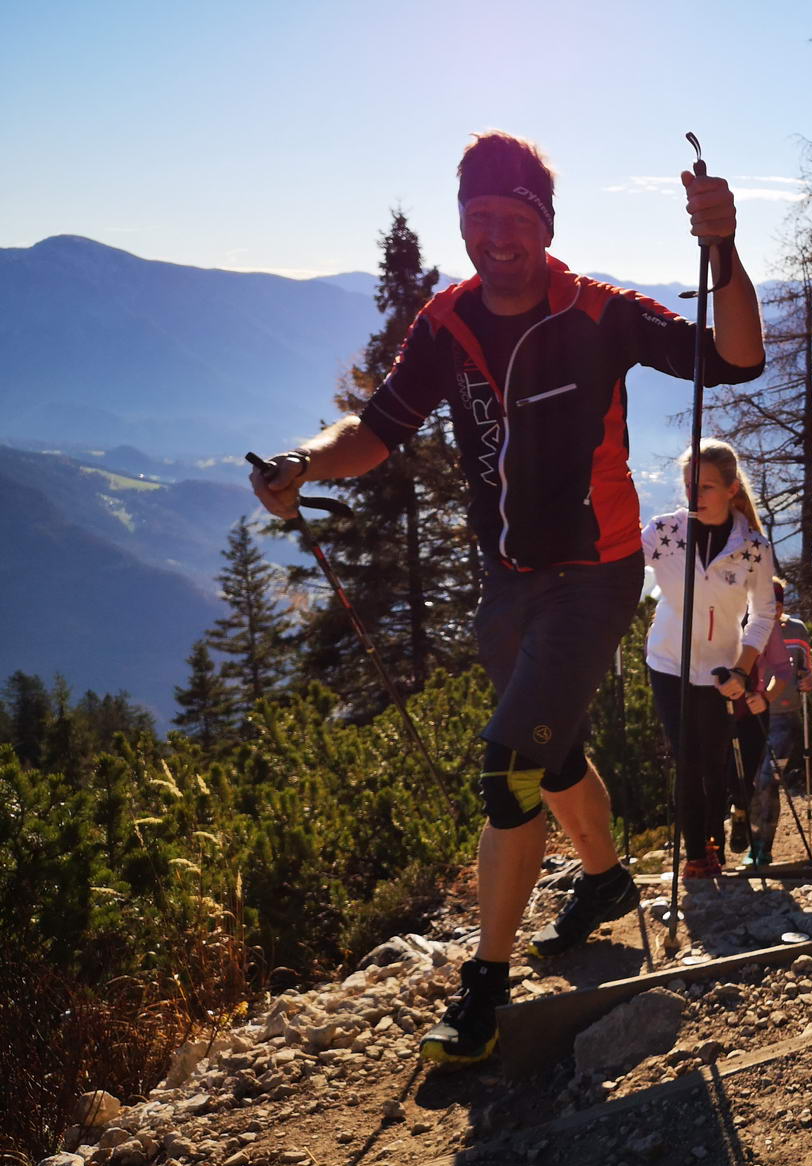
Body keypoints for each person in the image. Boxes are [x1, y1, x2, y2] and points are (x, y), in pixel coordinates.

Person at [249, 132, 764, 1068]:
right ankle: (606, 882)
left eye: (513, 218)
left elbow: (732, 359)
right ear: (462, 222)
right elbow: (377, 429)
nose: (495, 236)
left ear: (545, 223)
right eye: (478, 217)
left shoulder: (599, 312)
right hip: (506, 581)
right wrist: (304, 462)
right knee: (553, 755)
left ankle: (482, 987)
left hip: (594, 574)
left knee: (507, 771)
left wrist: (721, 247)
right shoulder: (446, 323)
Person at [643, 439, 777, 877]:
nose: (693, 495)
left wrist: (744, 667)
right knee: (687, 756)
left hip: (722, 669)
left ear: (732, 489)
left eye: (705, 487)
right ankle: (697, 854)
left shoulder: (753, 547)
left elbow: (763, 613)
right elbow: (625, 570)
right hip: (667, 660)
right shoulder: (665, 531)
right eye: (688, 485)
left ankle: (712, 840)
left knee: (715, 759)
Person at [742, 577, 812, 868]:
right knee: (749, 782)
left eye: (777, 605)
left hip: (785, 717)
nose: (773, 610)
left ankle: (763, 847)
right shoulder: (744, 627)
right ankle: (750, 838)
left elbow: (807, 672)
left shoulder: (797, 630)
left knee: (768, 781)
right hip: (750, 718)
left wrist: (808, 680)